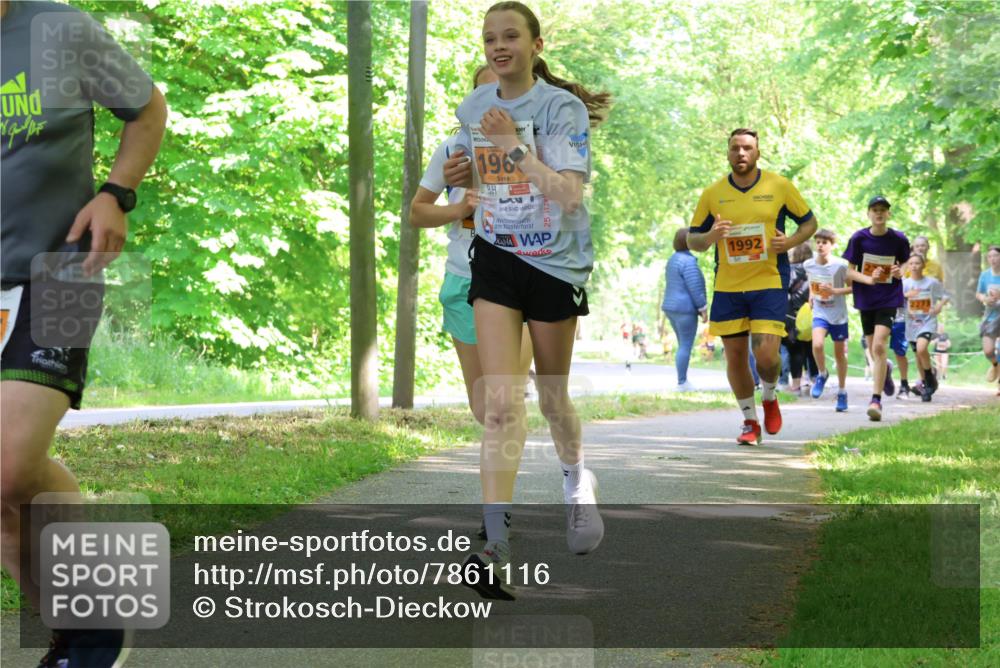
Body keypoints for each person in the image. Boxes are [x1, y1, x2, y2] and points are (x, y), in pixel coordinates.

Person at [0, 1, 167, 665]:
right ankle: (81, 632)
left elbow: (147, 110)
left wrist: (116, 193)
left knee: (10, 466)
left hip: (62, 269)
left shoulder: (57, 29)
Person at [443, 0, 611, 600]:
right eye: (490, 37)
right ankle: (495, 543)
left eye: (510, 35)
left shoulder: (560, 108)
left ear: (536, 45)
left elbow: (567, 194)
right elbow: (482, 181)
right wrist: (467, 176)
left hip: (554, 261)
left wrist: (512, 146)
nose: (498, 45)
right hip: (495, 257)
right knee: (498, 404)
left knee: (551, 393)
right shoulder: (472, 108)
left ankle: (574, 481)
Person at [409, 65, 533, 426]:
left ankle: (522, 480)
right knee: (484, 410)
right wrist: (460, 208)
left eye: (503, 92)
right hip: (464, 277)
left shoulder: (534, 144)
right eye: (483, 94)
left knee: (505, 404)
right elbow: (417, 213)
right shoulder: (452, 149)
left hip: (520, 277)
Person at [687, 128, 817, 446]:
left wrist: (790, 241)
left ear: (758, 153)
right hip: (729, 287)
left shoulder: (780, 186)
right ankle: (749, 421)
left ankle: (770, 397)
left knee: (766, 355)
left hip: (769, 281)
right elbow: (693, 240)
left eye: (747, 148)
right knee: (735, 357)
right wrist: (711, 237)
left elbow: (810, 223)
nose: (741, 153)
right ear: (728, 153)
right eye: (735, 148)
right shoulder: (713, 193)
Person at [842, 196, 911, 421]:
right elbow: (848, 272)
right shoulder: (859, 239)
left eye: (883, 210)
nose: (879, 213)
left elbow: (906, 262)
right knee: (874, 351)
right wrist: (869, 279)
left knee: (880, 346)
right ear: (868, 214)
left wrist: (902, 271)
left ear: (888, 214)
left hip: (889, 297)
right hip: (866, 298)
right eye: (875, 210)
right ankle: (885, 370)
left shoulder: (898, 239)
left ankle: (876, 400)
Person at [804, 229, 852, 411]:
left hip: (838, 315)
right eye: (818, 242)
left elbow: (852, 288)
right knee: (816, 345)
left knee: (840, 355)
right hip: (820, 312)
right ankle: (822, 374)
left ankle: (842, 391)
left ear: (832, 245)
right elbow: (812, 281)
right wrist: (811, 294)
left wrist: (834, 291)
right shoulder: (808, 264)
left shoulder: (840, 265)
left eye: (825, 242)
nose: (821, 245)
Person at [661, 228, 708, 390]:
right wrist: (703, 308)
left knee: (682, 344)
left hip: (671, 307)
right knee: (686, 345)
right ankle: (682, 382)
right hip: (684, 308)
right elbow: (695, 287)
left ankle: (682, 380)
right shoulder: (688, 262)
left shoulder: (673, 259)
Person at [902, 253, 947, 402]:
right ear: (908, 266)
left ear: (923, 266)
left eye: (917, 263)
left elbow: (945, 296)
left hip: (928, 321)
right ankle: (927, 384)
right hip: (911, 324)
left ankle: (929, 380)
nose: (914, 266)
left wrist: (938, 306)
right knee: (918, 356)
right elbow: (895, 301)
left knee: (922, 349)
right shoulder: (905, 284)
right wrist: (906, 295)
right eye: (911, 263)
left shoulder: (931, 282)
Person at [783, 243, 818, 396]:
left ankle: (796, 384)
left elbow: (785, 288)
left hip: (793, 314)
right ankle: (816, 380)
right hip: (813, 312)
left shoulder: (789, 270)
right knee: (813, 348)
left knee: (795, 350)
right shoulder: (815, 269)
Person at [976, 244, 1000, 394]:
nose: (993, 259)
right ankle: (996, 366)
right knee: (988, 351)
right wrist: (985, 298)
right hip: (990, 316)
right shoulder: (985, 275)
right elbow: (978, 294)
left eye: (996, 256)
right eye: (990, 256)